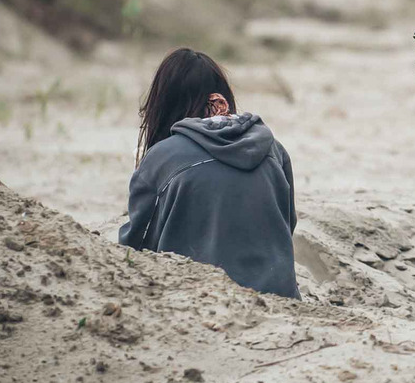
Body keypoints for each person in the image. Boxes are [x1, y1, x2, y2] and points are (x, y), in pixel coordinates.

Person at [119, 48, 300, 299]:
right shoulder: (273, 148)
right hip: (281, 298)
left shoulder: (161, 157)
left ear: (164, 105)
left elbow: (134, 249)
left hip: (199, 299)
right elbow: (286, 224)